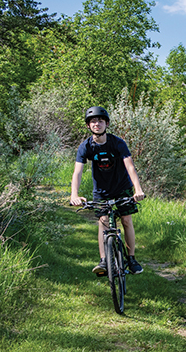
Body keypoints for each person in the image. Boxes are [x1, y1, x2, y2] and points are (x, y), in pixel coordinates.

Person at [70, 106, 146, 276]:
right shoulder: (86, 147)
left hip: (122, 187)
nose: (97, 124)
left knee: (126, 220)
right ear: (88, 126)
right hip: (101, 192)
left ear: (106, 124)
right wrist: (74, 194)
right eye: (93, 121)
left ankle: (131, 259)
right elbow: (77, 172)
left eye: (100, 121)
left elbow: (130, 166)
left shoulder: (117, 143)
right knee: (103, 221)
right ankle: (104, 261)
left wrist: (138, 189)